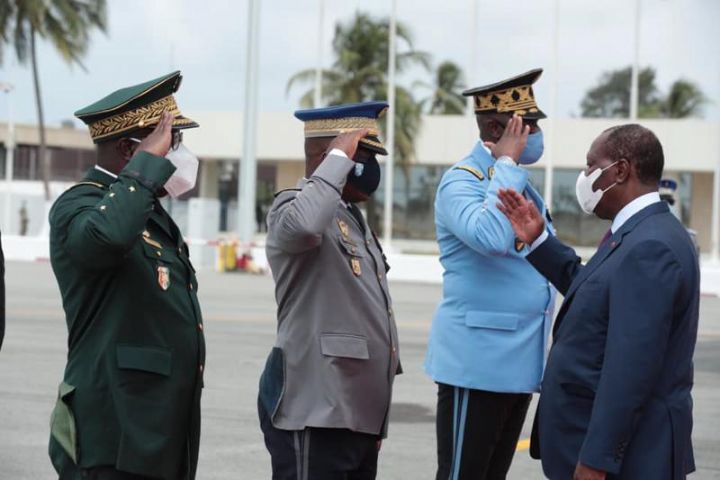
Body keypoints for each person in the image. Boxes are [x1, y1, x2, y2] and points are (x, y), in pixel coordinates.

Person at [497, 124, 699, 480]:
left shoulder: (649, 247)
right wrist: (539, 240)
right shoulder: (639, 233)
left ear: (621, 170)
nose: (585, 177)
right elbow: (595, 292)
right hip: (601, 446)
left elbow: (630, 369)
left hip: (625, 459)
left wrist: (597, 460)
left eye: (591, 166)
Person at [48, 71, 206, 480]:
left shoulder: (144, 211)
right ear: (128, 149)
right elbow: (104, 240)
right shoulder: (80, 205)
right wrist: (144, 171)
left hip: (154, 426)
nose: (180, 155)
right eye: (172, 144)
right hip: (115, 428)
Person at [424, 68, 555, 480]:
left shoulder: (514, 180)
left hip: (515, 363)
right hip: (477, 364)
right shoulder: (462, 182)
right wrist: (507, 162)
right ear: (499, 127)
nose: (535, 134)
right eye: (527, 125)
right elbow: (491, 237)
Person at [258, 102, 400, 479]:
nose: (371, 168)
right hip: (316, 409)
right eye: (362, 155)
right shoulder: (291, 206)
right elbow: (303, 228)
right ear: (329, 157)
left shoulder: (351, 217)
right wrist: (337, 159)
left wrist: (373, 419)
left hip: (354, 412)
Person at [659, 178, 700, 254]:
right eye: (664, 197)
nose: (666, 201)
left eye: (668, 198)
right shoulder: (664, 209)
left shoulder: (674, 208)